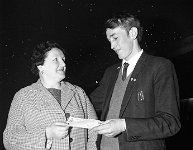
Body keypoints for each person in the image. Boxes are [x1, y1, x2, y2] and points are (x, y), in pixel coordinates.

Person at [90, 12, 181, 150]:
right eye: (109, 41)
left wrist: (123, 125)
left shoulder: (160, 66)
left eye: (115, 38)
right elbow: (87, 104)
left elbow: (170, 123)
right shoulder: (110, 72)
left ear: (132, 33)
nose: (112, 46)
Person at [3, 41, 97, 150]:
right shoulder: (23, 96)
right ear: (40, 66)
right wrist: (47, 133)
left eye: (63, 59)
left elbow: (94, 129)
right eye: (55, 60)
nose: (63, 64)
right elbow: (10, 139)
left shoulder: (78, 92)